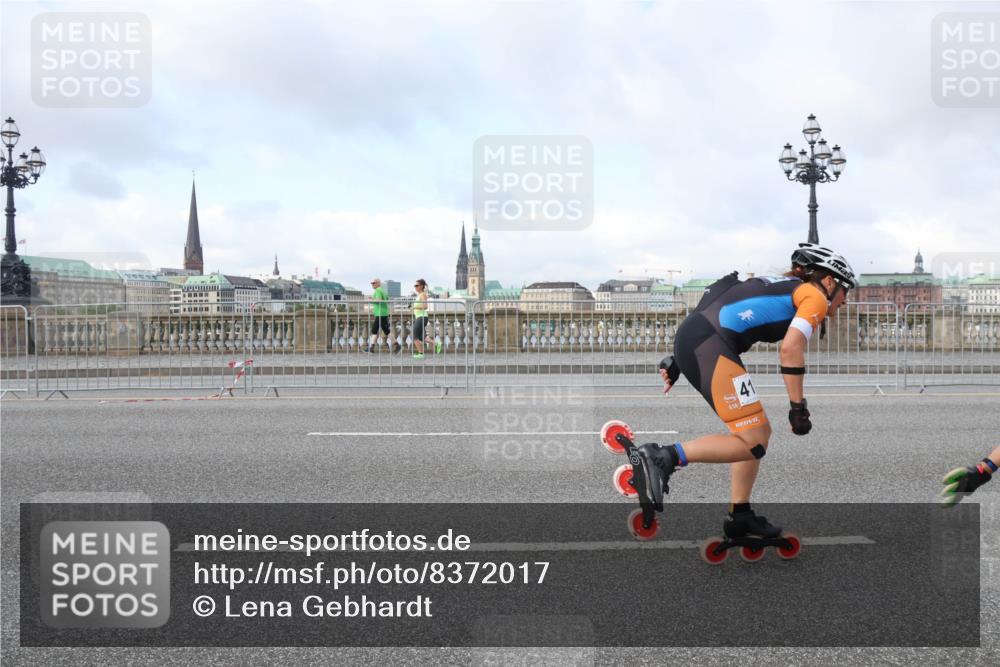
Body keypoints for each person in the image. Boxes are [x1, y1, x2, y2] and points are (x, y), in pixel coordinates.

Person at [636, 243, 857, 539]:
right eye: (846, 290)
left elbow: (721, 302)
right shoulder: (814, 296)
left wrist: (680, 357)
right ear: (830, 281)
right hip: (710, 346)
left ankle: (740, 516)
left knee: (757, 432)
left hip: (700, 339)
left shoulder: (778, 284)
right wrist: (797, 408)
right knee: (754, 441)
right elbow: (791, 349)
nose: (845, 300)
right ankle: (664, 456)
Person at [411, 279, 443, 359]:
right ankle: (437, 344)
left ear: (421, 286)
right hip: (420, 317)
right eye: (415, 286)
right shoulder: (419, 295)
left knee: (414, 336)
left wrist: (414, 306)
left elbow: (425, 306)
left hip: (422, 317)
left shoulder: (423, 295)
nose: (415, 287)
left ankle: (421, 354)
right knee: (422, 337)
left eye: (417, 285)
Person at [365, 278, 395, 353]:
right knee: (384, 330)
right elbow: (386, 299)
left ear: (378, 283)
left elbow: (378, 300)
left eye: (374, 283)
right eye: (371, 283)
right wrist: (373, 298)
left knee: (376, 330)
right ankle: (371, 347)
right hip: (383, 313)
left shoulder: (378, 290)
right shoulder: (382, 290)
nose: (372, 284)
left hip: (380, 313)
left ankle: (371, 348)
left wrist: (371, 300)